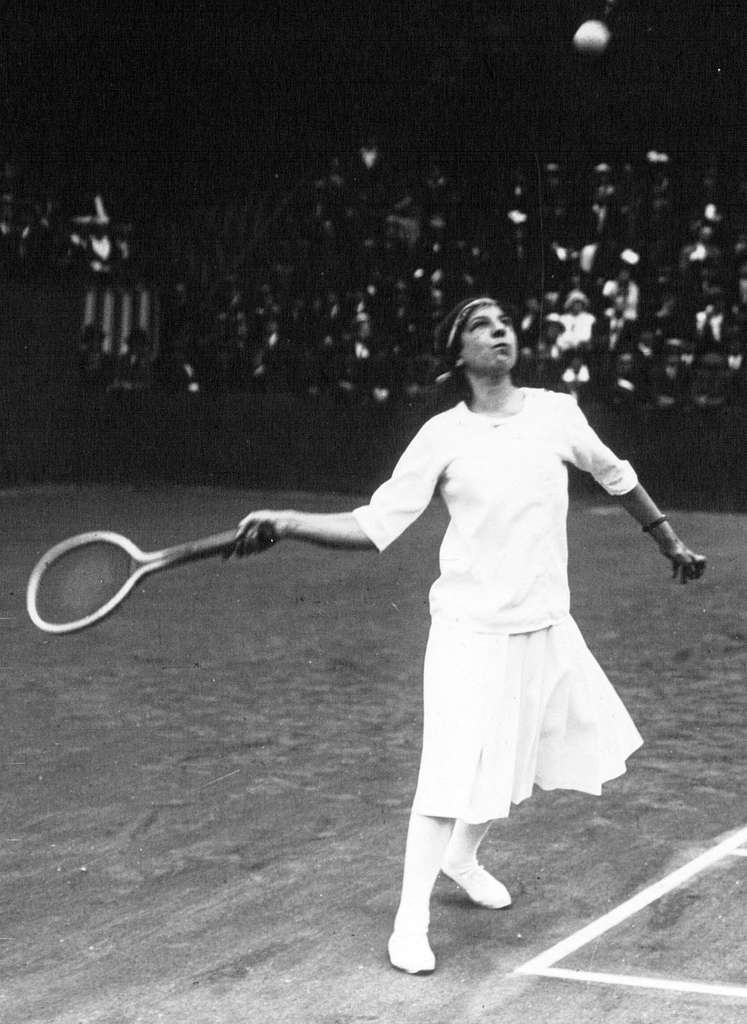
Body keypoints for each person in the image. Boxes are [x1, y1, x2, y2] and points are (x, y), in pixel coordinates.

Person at [228, 296, 706, 975]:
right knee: (450, 774)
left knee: (512, 760)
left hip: (541, 625)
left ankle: (462, 857)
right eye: (482, 326)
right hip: (466, 631)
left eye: (505, 322)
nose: (500, 331)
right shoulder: (439, 436)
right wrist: (287, 520)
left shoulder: (554, 413)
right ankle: (409, 923)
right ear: (459, 351)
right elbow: (375, 525)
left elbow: (614, 474)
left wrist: (669, 542)